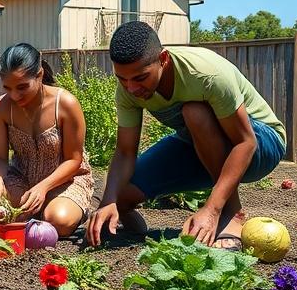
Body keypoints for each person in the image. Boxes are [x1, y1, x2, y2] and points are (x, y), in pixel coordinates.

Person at [87, 20, 286, 248]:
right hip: (198, 145)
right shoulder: (128, 90)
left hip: (262, 143)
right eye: (122, 79)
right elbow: (125, 151)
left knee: (195, 112)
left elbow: (245, 142)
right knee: (120, 192)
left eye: (140, 78)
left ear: (163, 59)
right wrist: (109, 201)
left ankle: (232, 213)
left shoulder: (205, 74)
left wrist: (212, 209)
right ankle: (124, 219)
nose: (131, 88)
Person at [0, 43, 94, 237]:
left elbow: (74, 160)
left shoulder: (65, 104)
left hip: (65, 181)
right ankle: (28, 214)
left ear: (39, 75)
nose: (14, 95)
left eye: (22, 87)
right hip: (21, 179)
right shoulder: (0, 107)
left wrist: (43, 188)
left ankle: (75, 208)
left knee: (58, 221)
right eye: (8, 88)